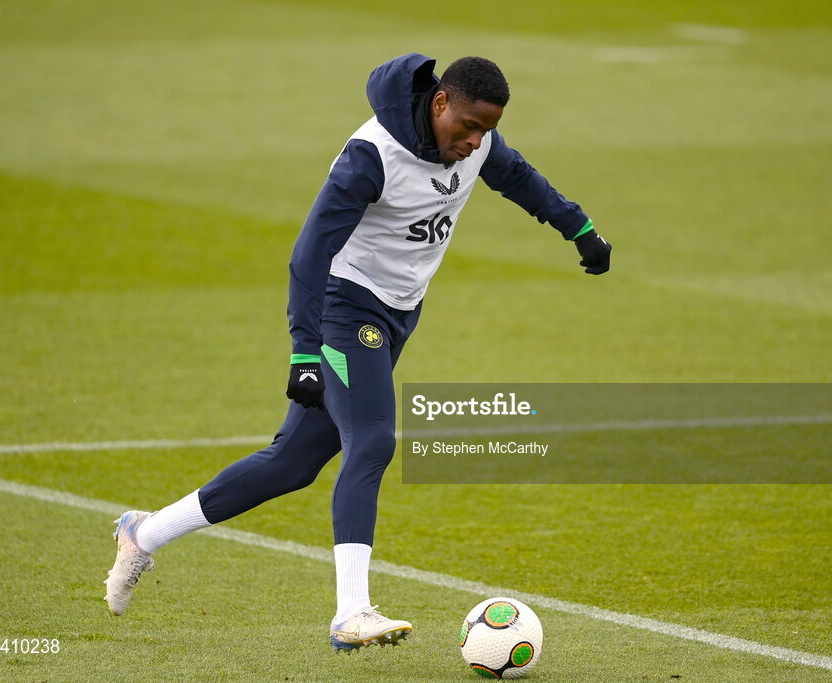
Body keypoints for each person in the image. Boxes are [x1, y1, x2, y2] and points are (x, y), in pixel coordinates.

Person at [104, 53, 610, 651]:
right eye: (466, 128)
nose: (474, 143)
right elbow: (309, 254)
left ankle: (144, 532)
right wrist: (303, 351)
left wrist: (577, 228)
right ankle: (351, 613)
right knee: (372, 440)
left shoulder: (479, 143)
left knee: (292, 463)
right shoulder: (372, 157)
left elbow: (521, 178)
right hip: (345, 312)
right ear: (440, 103)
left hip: (398, 315)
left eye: (485, 131)